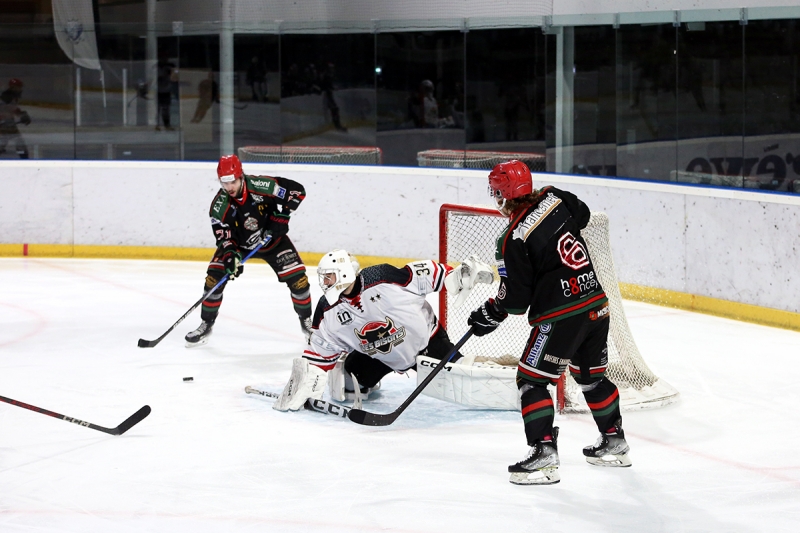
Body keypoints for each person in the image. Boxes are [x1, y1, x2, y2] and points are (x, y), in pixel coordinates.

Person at [466, 159, 631, 485]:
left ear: (503, 194)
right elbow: (582, 216)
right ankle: (615, 442)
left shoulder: (512, 238)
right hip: (596, 305)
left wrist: (490, 312)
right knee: (591, 379)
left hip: (561, 316)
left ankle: (543, 456)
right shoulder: (556, 197)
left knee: (532, 381)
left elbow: (515, 299)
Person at [272, 250, 487, 412]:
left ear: (345, 273)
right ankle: (369, 381)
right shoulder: (327, 309)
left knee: (467, 382)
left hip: (427, 343)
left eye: (329, 276)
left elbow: (429, 275)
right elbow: (319, 351)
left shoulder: (382, 276)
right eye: (324, 277)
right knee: (345, 387)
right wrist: (303, 381)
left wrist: (461, 275)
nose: (325, 282)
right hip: (381, 356)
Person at [185, 154, 312, 347]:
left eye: (232, 181)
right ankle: (206, 324)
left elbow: (297, 191)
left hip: (272, 241)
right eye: (224, 183)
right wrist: (230, 256)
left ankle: (307, 324)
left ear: (241, 176)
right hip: (239, 247)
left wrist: (282, 216)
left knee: (299, 280)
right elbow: (224, 237)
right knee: (214, 280)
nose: (229, 188)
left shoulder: (262, 186)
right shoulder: (220, 207)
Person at [0, 78, 31, 159]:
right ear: (13, 87)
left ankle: (24, 156)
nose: (21, 89)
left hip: (7, 122)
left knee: (4, 140)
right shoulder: (7, 96)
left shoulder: (11, 96)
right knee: (18, 141)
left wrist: (21, 114)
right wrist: (21, 115)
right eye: (19, 87)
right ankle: (24, 158)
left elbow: (13, 108)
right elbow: (9, 108)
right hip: (5, 123)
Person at [156, 56, 176, 131]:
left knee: (166, 109)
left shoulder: (170, 66)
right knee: (157, 109)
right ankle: (156, 124)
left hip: (166, 90)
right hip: (158, 91)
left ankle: (167, 124)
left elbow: (175, 76)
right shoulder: (156, 66)